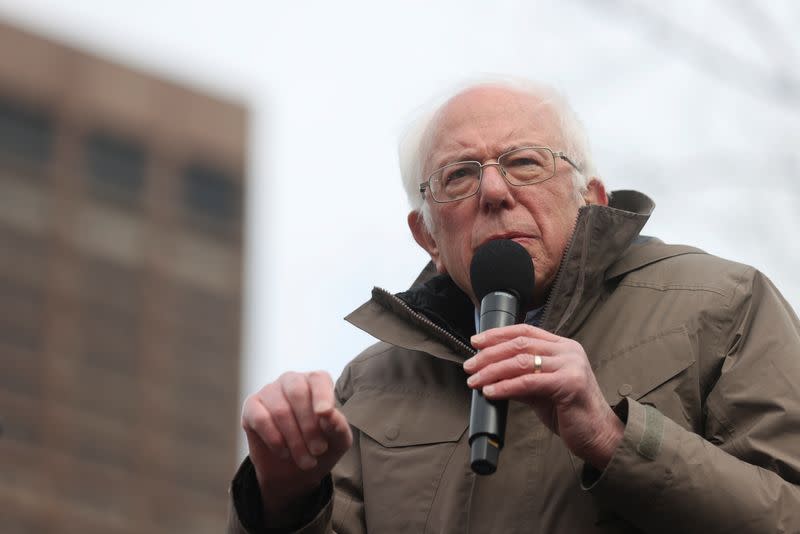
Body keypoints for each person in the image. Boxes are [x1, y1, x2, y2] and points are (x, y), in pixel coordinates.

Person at [228, 79, 800, 533]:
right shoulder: (370, 387)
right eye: (459, 175)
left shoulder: (725, 306)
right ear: (425, 234)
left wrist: (613, 437)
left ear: (590, 199)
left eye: (525, 162)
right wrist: (280, 499)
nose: (495, 193)